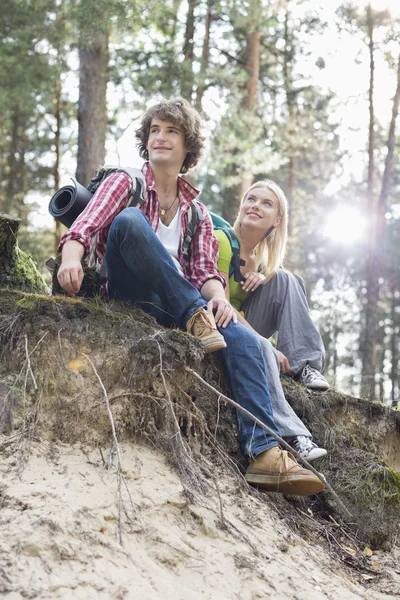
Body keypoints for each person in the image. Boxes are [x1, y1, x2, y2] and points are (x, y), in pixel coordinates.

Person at [57, 97, 325, 496]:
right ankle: (195, 315)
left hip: (181, 308)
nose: (160, 138)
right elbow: (86, 225)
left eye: (171, 131)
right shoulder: (126, 181)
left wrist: (218, 298)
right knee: (129, 222)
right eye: (154, 131)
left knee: (248, 340)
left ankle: (264, 452)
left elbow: (205, 272)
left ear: (188, 147)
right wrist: (71, 258)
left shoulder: (197, 213)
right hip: (133, 292)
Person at [214, 179, 329, 460]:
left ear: (277, 220)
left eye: (266, 203)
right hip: (217, 318)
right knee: (263, 347)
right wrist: (268, 344)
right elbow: (223, 305)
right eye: (251, 199)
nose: (255, 205)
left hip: (242, 319)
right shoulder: (220, 240)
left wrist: (265, 275)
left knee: (288, 278)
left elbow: (275, 288)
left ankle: (305, 367)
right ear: (241, 206)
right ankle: (293, 437)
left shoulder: (261, 260)